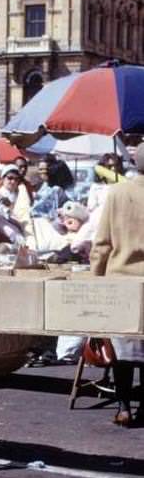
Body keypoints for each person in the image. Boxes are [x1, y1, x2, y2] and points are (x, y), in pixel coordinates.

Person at [90, 143, 144, 426]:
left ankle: (123, 407)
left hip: (120, 282)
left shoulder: (116, 193)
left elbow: (101, 244)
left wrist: (94, 280)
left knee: (122, 352)